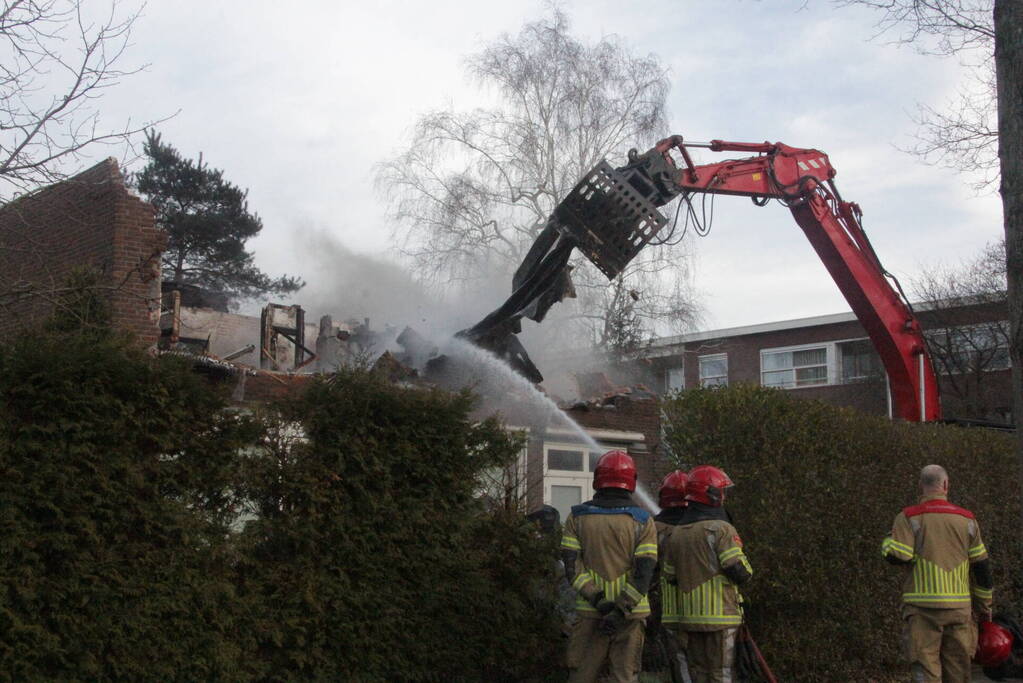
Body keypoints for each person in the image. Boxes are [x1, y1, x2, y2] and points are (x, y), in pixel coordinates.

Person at [881, 464, 994, 683]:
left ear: (920, 486)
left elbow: (898, 555)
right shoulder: (967, 520)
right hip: (959, 610)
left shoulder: (909, 517)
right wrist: (985, 608)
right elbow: (982, 568)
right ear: (945, 485)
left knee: (926, 670)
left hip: (922, 611)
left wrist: (887, 541)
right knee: (959, 672)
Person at [560, 450, 658, 683]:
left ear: (598, 479)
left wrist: (600, 602)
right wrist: (621, 610)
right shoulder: (643, 521)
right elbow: (644, 574)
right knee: (624, 676)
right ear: (631, 481)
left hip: (590, 613)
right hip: (631, 616)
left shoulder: (577, 518)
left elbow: (572, 568)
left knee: (581, 675)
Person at [662, 465, 751, 683]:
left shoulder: (676, 534)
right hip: (721, 617)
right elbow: (738, 571)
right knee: (722, 673)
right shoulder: (721, 529)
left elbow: (670, 576)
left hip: (689, 618)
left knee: (698, 673)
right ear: (712, 494)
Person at [651, 470, 692, 683]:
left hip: (663, 605)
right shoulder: (701, 528)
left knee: (677, 658)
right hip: (703, 608)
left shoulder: (653, 528)